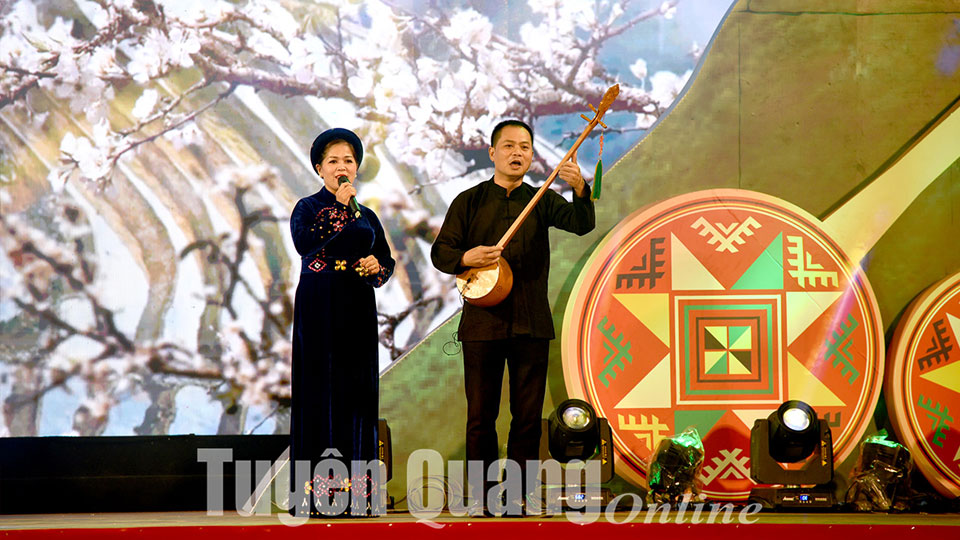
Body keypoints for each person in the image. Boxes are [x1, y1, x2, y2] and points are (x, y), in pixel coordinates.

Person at [430, 119, 595, 514]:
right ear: (492, 153)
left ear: (532, 156)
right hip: (481, 325)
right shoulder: (469, 201)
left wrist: (580, 190)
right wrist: (467, 257)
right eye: (508, 146)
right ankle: (482, 495)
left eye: (524, 147)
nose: (517, 153)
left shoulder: (541, 200)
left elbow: (581, 224)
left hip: (530, 324)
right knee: (480, 417)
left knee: (527, 417)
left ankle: (519, 494)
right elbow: (441, 253)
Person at [289, 127, 395, 517]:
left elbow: (386, 262)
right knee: (319, 391)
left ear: (357, 168)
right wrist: (337, 207)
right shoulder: (307, 207)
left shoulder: (366, 215)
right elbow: (305, 244)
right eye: (333, 161)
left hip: (356, 305)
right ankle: (319, 496)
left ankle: (359, 497)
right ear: (319, 169)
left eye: (348, 161)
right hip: (318, 305)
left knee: (357, 395)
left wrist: (376, 267)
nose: (341, 167)